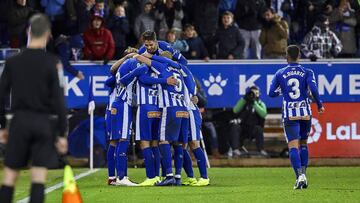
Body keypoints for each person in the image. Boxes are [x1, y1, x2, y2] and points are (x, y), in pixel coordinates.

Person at [0, 14, 68, 203]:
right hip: (43, 124)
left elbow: (0, 96)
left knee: (10, 177)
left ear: (28, 31)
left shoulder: (13, 62)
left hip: (19, 122)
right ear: (48, 34)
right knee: (38, 177)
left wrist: (3, 126)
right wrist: (62, 134)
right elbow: (59, 101)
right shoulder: (53, 63)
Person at [269, 45, 325, 189]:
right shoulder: (307, 72)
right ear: (299, 56)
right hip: (305, 112)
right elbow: (313, 88)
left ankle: (299, 176)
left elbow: (271, 93)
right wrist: (319, 105)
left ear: (286, 56)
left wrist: (283, 90)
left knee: (293, 146)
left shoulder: (280, 73)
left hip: (290, 113)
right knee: (304, 144)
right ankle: (304, 175)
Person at [230, 85, 268, 157]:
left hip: (254, 128)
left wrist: (254, 103)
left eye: (255, 93)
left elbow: (263, 114)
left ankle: (261, 150)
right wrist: (244, 99)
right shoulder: (244, 102)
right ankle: (235, 150)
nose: (253, 95)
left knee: (259, 129)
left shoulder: (261, 103)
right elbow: (235, 110)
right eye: (251, 92)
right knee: (235, 127)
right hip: (243, 128)